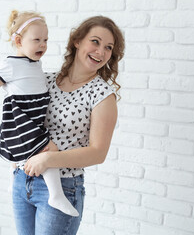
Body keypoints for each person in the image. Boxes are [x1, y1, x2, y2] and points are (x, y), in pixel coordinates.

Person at [0, 10, 79, 217]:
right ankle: (56, 194)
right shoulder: (10, 64)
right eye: (37, 40)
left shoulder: (34, 63)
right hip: (21, 117)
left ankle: (15, 180)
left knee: (27, 151)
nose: (43, 44)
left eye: (46, 40)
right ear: (18, 40)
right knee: (48, 148)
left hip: (33, 116)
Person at [12, 15, 125, 234]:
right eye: (95, 41)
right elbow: (20, 119)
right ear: (77, 41)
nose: (101, 52)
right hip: (22, 180)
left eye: (108, 47)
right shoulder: (44, 80)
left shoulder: (102, 95)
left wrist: (47, 159)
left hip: (62, 187)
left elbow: (97, 153)